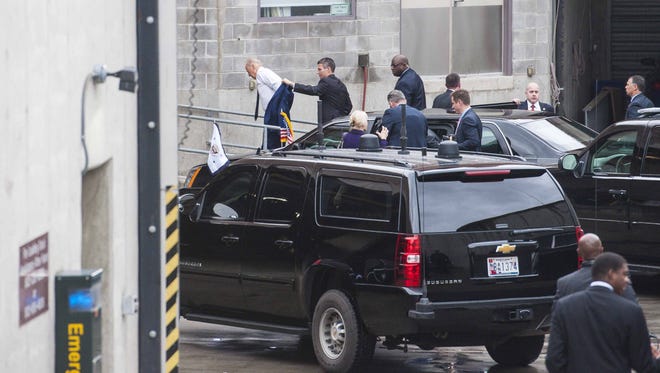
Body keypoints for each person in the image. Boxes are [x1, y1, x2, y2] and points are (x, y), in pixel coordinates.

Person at [546, 252, 659, 373]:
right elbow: (644, 365)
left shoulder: (564, 307)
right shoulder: (631, 311)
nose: (627, 280)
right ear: (611, 274)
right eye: (624, 274)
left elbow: (554, 359)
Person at [553, 233, 637, 309]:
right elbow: (633, 310)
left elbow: (557, 317)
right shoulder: (619, 279)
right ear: (601, 250)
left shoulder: (564, 283)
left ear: (578, 252)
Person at [282, 57, 352, 124]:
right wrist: (339, 117)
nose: (317, 72)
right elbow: (349, 106)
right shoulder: (341, 84)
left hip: (329, 124)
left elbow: (313, 90)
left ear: (328, 69)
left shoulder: (326, 81)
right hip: (340, 124)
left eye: (319, 69)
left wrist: (292, 84)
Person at [245, 58, 284, 149]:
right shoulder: (262, 74)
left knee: (272, 139)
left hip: (273, 111)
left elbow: (279, 85)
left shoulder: (262, 73)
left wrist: (276, 106)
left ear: (253, 66)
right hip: (271, 111)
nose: (249, 75)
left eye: (248, 71)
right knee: (270, 138)